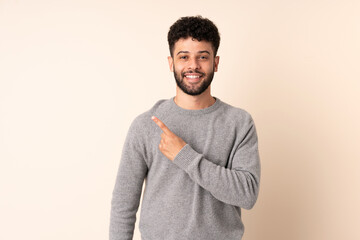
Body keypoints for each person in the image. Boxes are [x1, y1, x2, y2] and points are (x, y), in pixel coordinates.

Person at [110, 16, 261, 240]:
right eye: (184, 57)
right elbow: (123, 205)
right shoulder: (145, 125)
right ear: (171, 62)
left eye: (203, 57)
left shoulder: (239, 123)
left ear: (216, 63)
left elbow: (247, 194)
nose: (193, 65)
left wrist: (184, 155)